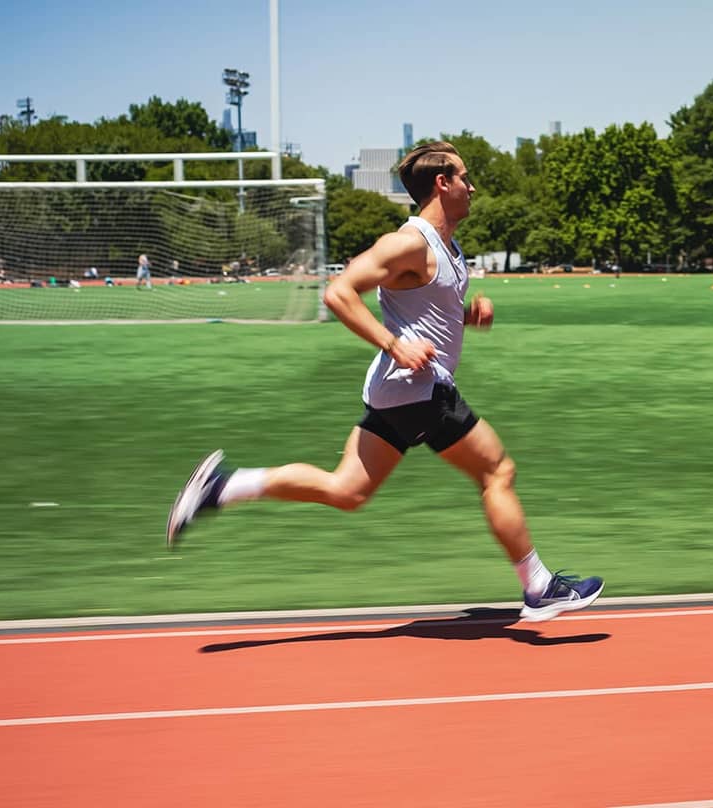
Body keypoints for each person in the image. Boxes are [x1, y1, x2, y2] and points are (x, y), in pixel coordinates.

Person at [166, 141, 603, 622]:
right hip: (419, 390)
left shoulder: (446, 247)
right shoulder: (408, 241)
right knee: (496, 470)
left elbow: (423, 310)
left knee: (347, 490)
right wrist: (394, 345)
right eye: (464, 177)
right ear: (443, 184)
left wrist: (464, 317)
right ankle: (539, 587)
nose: (471, 186)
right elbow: (338, 293)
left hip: (398, 393)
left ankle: (223, 488)